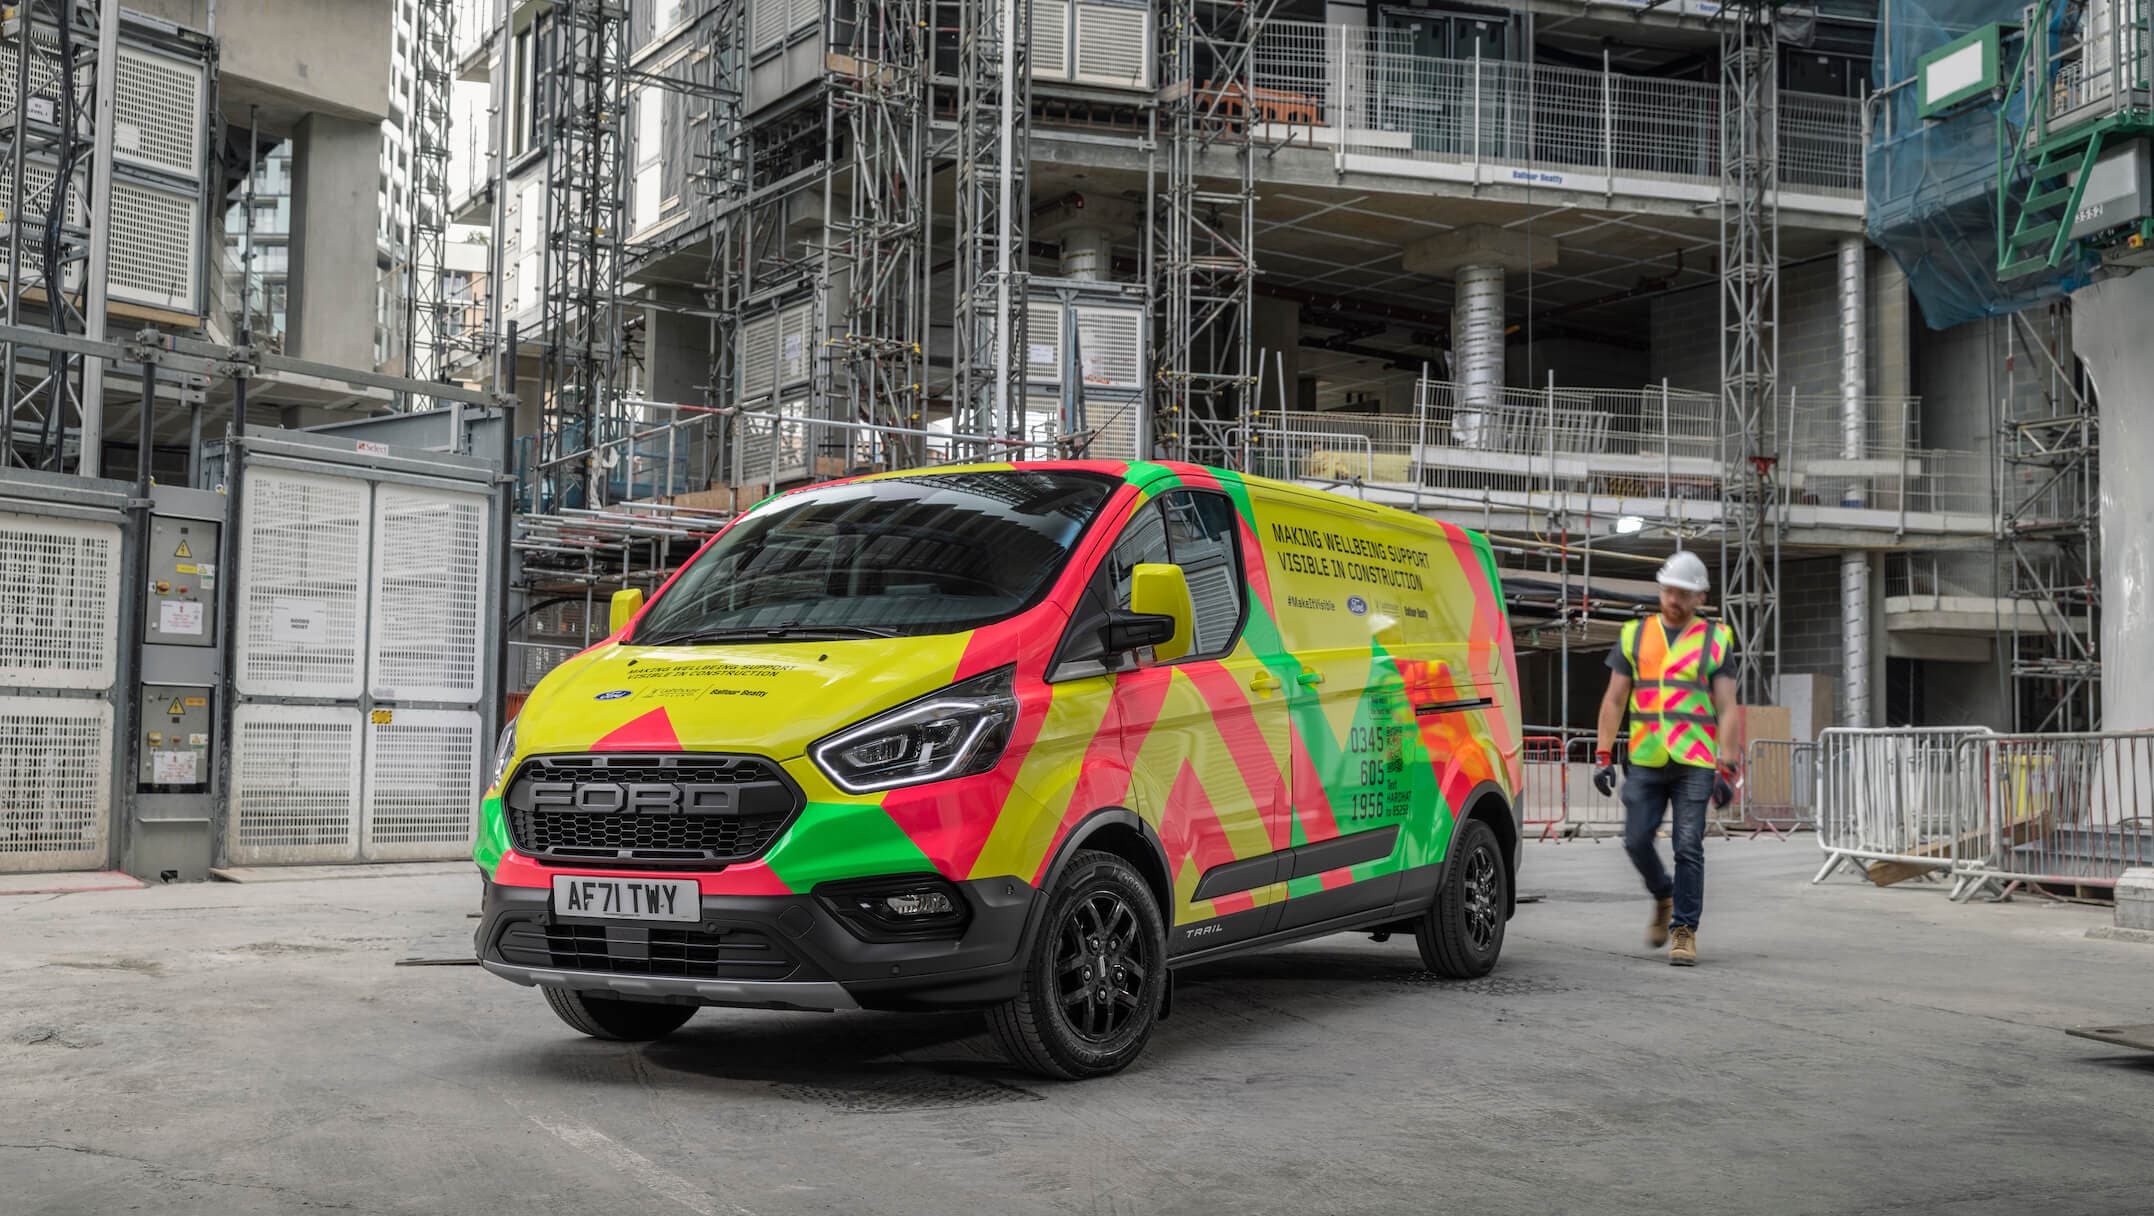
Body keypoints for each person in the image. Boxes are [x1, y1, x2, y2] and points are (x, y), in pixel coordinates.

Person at [1591, 550, 1741, 966]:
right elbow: (1615, 698)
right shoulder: (1634, 635)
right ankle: (1663, 894)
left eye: (1684, 594)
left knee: (1688, 845)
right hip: (1646, 757)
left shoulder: (1716, 640)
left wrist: (1727, 765)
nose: (1674, 600)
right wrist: (1603, 755)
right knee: (1636, 840)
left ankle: (1684, 929)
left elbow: (1727, 707)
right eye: (1669, 591)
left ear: (1700, 598)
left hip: (1694, 760)